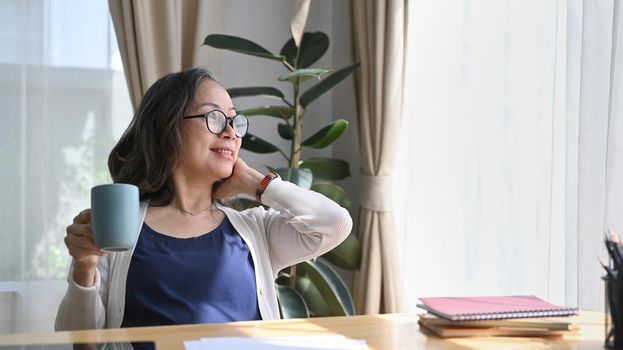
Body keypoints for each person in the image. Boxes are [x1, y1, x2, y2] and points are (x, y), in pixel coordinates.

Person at [55, 67, 352, 331]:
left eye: (235, 122)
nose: (231, 133)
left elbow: (335, 224)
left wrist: (255, 183)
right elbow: (80, 339)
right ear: (167, 129)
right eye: (214, 117)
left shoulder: (254, 231)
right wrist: (84, 266)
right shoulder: (116, 230)